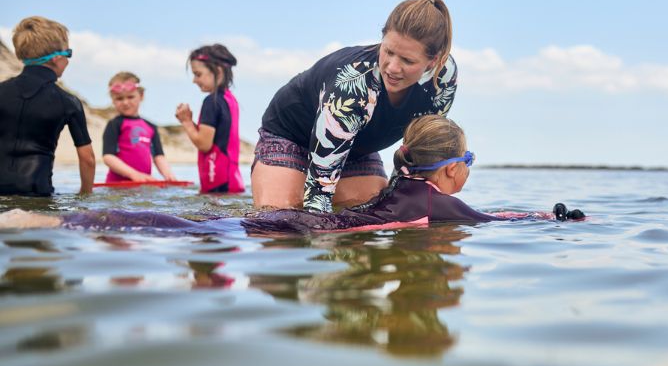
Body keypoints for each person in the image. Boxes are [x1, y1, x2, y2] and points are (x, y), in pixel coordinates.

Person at [0, 116, 584, 234]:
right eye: (469, 162)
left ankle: (47, 220)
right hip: (294, 229)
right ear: (453, 169)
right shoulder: (440, 206)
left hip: (300, 221)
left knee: (169, 223)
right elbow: (500, 219)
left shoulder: (399, 191)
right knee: (174, 227)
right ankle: (40, 222)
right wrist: (560, 217)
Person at [252, 0, 459, 212]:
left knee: (373, 210)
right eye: (387, 51)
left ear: (433, 61)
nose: (392, 67)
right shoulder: (353, 86)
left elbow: (418, 155)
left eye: (407, 60)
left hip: (355, 147)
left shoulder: (443, 79)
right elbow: (318, 197)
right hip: (290, 135)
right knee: (281, 218)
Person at [0, 16, 95, 196]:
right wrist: (84, 195)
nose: (68, 61)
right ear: (57, 58)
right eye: (69, 54)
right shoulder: (68, 102)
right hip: (37, 194)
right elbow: (87, 158)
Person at [175, 44, 245, 193]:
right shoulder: (229, 100)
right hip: (232, 180)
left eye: (198, 74)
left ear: (218, 72)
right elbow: (217, 139)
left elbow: (204, 144)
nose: (194, 80)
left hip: (217, 182)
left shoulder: (211, 102)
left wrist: (186, 122)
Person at [102, 72, 176, 183]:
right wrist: (134, 174)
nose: (125, 102)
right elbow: (108, 157)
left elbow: (158, 156)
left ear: (141, 96)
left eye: (130, 97)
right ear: (113, 100)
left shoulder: (151, 127)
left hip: (142, 184)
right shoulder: (114, 124)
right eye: (119, 99)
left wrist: (169, 176)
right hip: (117, 186)